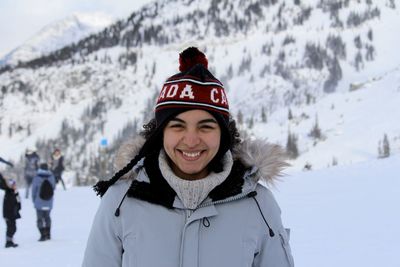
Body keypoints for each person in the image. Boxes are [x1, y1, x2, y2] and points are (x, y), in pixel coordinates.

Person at [82, 47, 294, 267]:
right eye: (177, 126)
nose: (191, 140)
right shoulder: (121, 201)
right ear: (161, 133)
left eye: (206, 126)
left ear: (223, 135)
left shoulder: (258, 203)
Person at [31, 163, 56, 241]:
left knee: (40, 219)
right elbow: (53, 188)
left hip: (39, 202)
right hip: (49, 202)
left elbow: (33, 191)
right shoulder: (51, 177)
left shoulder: (37, 177)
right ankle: (48, 234)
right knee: (47, 218)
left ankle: (42, 235)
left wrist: (34, 201)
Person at [1, 177, 21, 248]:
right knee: (11, 228)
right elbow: (3, 184)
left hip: (13, 214)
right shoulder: (8, 192)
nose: (14, 186)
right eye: (12, 185)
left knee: (13, 228)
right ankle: (8, 242)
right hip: (8, 214)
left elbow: (18, 203)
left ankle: (10, 240)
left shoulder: (15, 193)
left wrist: (18, 208)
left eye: (14, 185)